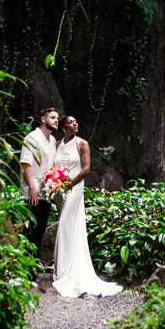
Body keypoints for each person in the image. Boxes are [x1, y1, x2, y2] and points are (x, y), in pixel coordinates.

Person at [52, 115, 122, 297]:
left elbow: (86, 169)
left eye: (76, 121)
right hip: (60, 190)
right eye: (70, 122)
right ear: (62, 127)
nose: (75, 124)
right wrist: (54, 182)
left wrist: (69, 184)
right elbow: (52, 166)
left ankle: (70, 271)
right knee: (66, 225)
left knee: (67, 223)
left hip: (74, 189)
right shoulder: (57, 145)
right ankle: (61, 269)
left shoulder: (82, 144)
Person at [19, 107, 59, 258]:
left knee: (41, 229)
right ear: (43, 119)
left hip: (46, 191)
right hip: (33, 192)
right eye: (53, 117)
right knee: (32, 230)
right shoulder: (32, 137)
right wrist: (31, 188)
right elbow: (25, 164)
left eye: (57, 118)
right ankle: (26, 268)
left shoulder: (53, 140)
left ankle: (33, 264)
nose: (56, 120)